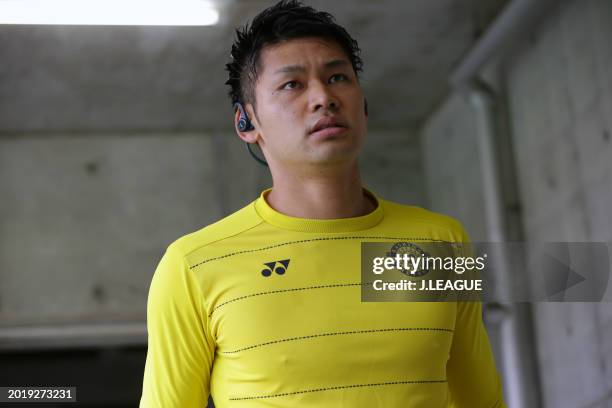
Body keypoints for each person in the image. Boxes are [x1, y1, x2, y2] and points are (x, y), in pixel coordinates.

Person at [139, 1, 506, 407]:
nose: (323, 97)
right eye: (292, 84)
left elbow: (481, 400)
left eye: (337, 77)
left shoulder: (441, 240)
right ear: (246, 122)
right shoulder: (193, 266)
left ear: (362, 105)